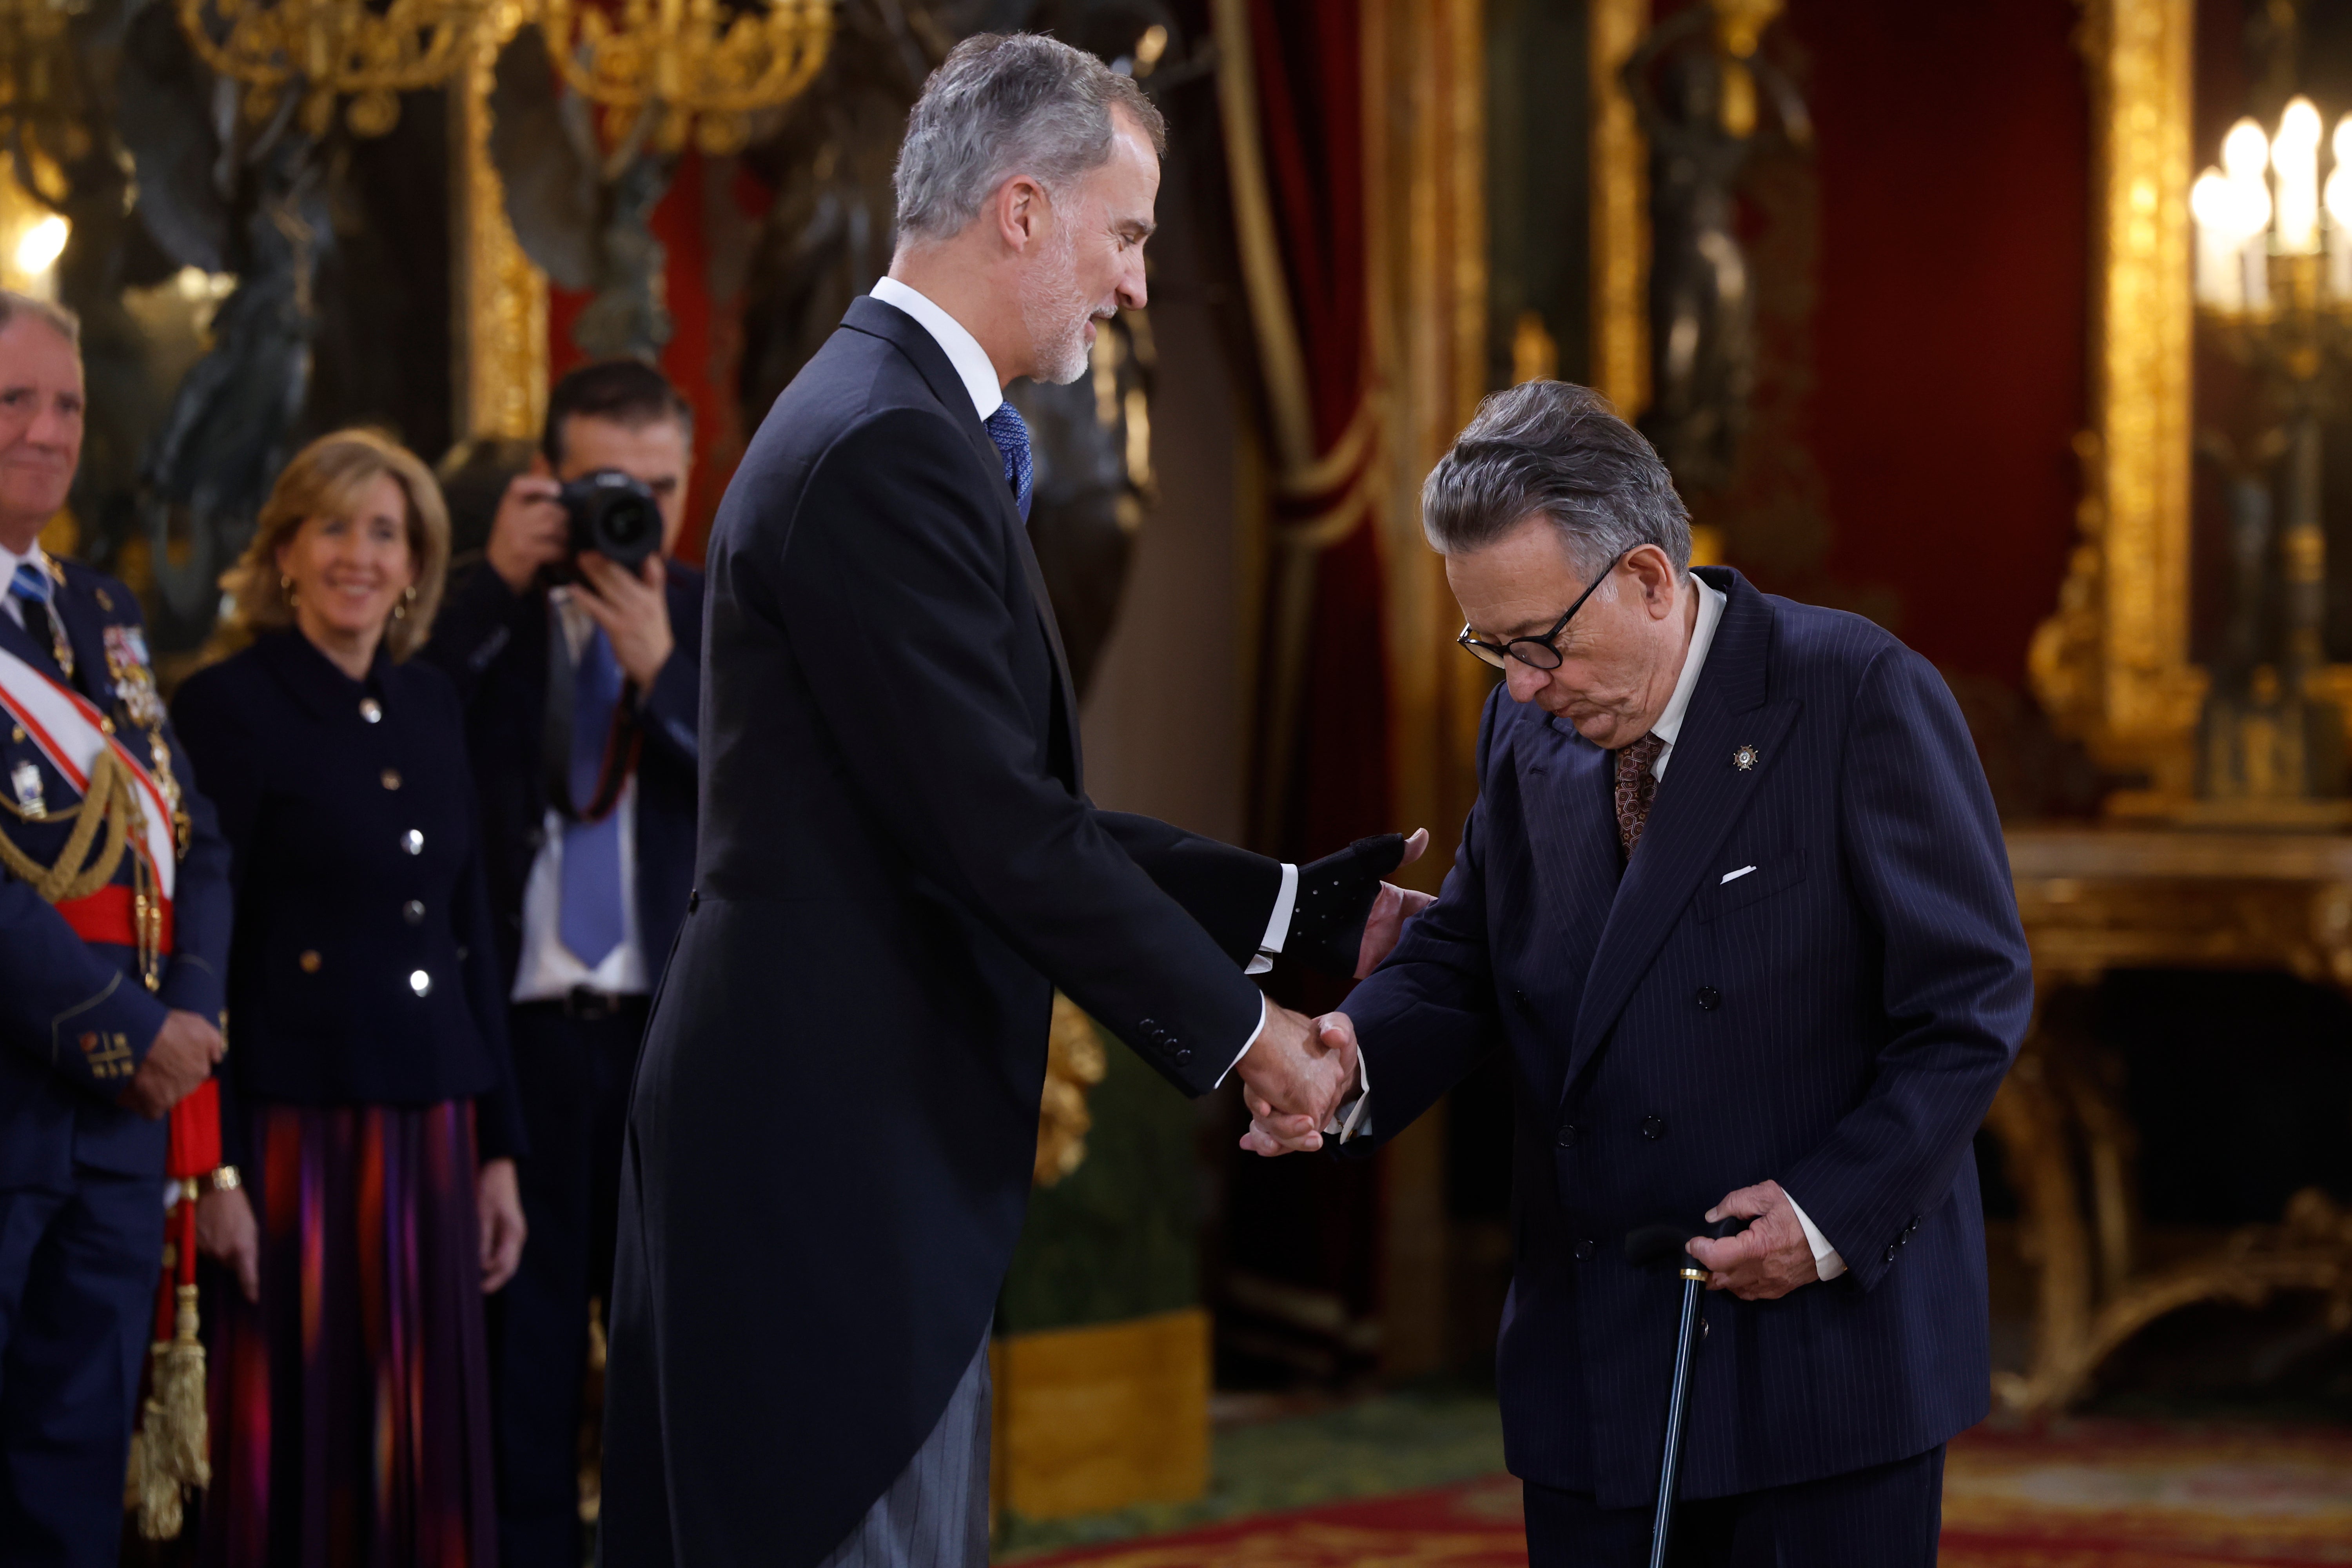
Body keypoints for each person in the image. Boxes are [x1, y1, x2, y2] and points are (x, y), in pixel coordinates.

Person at [600, 34, 1423, 1567]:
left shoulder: (898, 420)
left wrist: (1305, 912)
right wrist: (1254, 1041)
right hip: (825, 1165)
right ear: (1026, 212)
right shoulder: (882, 446)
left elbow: (986, 802)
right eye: (1129, 234)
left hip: (858, 1152)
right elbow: (999, 828)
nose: (1135, 284)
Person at [1244, 381, 2034, 1565]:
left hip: (1812, 1353)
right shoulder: (1530, 722)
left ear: (1653, 580)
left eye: (1539, 644)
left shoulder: (1856, 693)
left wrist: (1825, 1217)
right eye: (1490, 646)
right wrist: (1351, 1056)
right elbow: (1471, 946)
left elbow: (1970, 1006)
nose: (1518, 684)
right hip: (1599, 1350)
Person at [171, 428, 528, 1566]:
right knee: (301, 1433)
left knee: (415, 1433)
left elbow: (471, 937)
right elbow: (199, 956)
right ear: (284, 553)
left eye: (386, 533)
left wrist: (498, 1151)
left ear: (420, 565)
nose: (358, 556)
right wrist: (210, 1171)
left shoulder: (429, 703)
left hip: (432, 1125)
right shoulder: (226, 705)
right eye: (333, 528)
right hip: (290, 1142)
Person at [414, 360, 705, 1568]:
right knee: (515, 1385)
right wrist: (492, 582)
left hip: (671, 1044)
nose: (634, 516)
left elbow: (792, 807)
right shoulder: (486, 615)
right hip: (521, 1050)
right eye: (605, 487)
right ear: (550, 480)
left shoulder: (722, 614)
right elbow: (402, 750)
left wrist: (667, 679)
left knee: (672, 1382)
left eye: (661, 488)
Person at [0, 290, 232, 1566]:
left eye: (70, 404)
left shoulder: (99, 613)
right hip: (29, 1080)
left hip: (123, 1117)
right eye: (14, 401)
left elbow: (193, 834)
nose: (48, 431)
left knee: (74, 1459)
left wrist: (189, 1014)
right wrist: (122, 1032)